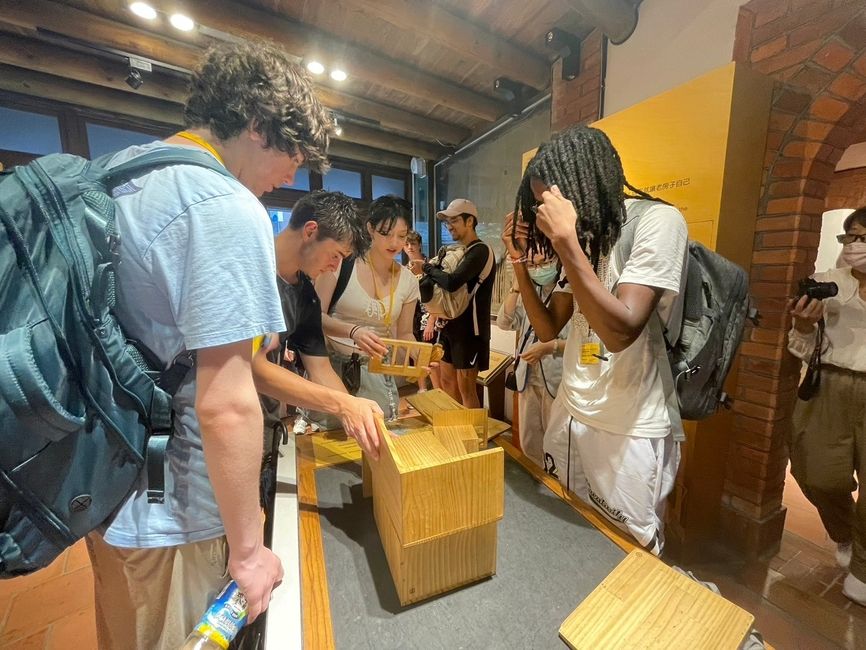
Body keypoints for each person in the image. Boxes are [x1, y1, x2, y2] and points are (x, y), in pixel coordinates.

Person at [84, 41, 335, 650]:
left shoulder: (122, 173)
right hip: (168, 507)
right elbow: (227, 400)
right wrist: (250, 552)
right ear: (256, 125)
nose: (293, 175)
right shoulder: (225, 206)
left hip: (103, 483)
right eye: (293, 152)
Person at [503, 125, 688, 555]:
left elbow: (621, 330)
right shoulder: (589, 238)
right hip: (571, 410)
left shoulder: (658, 221)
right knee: (569, 531)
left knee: (626, 549)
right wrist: (516, 259)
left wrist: (566, 240)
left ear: (581, 184)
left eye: (547, 199)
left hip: (628, 425)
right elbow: (549, 327)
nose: (541, 211)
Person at [254, 189, 383, 455]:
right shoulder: (249, 271)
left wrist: (356, 413)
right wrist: (341, 405)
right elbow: (252, 369)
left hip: (264, 424)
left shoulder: (304, 294)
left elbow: (321, 368)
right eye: (335, 254)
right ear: (310, 231)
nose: (334, 267)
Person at [786, 208, 866, 605]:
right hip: (829, 385)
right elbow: (800, 347)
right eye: (850, 238)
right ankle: (846, 533)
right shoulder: (826, 284)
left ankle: (864, 568)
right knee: (815, 471)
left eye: (863, 239)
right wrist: (802, 326)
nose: (855, 247)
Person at [312, 195, 421, 424]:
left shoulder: (409, 281)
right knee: (331, 441)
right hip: (334, 367)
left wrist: (418, 357)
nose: (394, 243)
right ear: (370, 228)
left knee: (376, 439)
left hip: (377, 373)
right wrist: (354, 331)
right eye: (385, 233)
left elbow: (404, 334)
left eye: (401, 236)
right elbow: (314, 317)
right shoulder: (342, 263)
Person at [496, 252, 568, 468]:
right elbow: (503, 322)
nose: (539, 268)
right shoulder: (531, 291)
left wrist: (549, 347)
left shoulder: (568, 295)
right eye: (533, 264)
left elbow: (583, 343)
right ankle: (536, 480)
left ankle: (557, 490)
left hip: (557, 380)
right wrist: (517, 287)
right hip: (527, 377)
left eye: (545, 262)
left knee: (556, 443)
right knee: (530, 441)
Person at [420, 199, 494, 408]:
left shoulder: (480, 251)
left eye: (454, 220)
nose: (449, 226)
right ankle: (456, 431)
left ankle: (475, 437)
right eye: (447, 222)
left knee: (467, 389)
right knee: (446, 382)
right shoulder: (458, 252)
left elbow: (451, 283)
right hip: (450, 326)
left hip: (471, 332)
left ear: (470, 221)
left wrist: (426, 268)